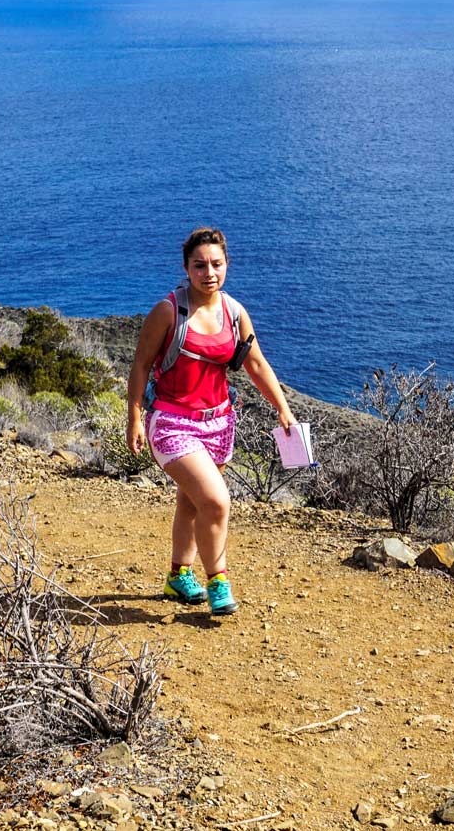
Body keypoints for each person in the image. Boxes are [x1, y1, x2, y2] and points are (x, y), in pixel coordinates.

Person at [127, 226, 296, 616]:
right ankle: (218, 579)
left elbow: (255, 364)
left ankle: (177, 576)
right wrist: (135, 417)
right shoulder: (168, 311)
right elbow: (139, 364)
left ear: (227, 265)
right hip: (170, 422)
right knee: (217, 501)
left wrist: (282, 408)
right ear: (186, 268)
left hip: (219, 423)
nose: (209, 273)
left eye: (216, 264)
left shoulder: (235, 313)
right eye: (200, 265)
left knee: (191, 502)